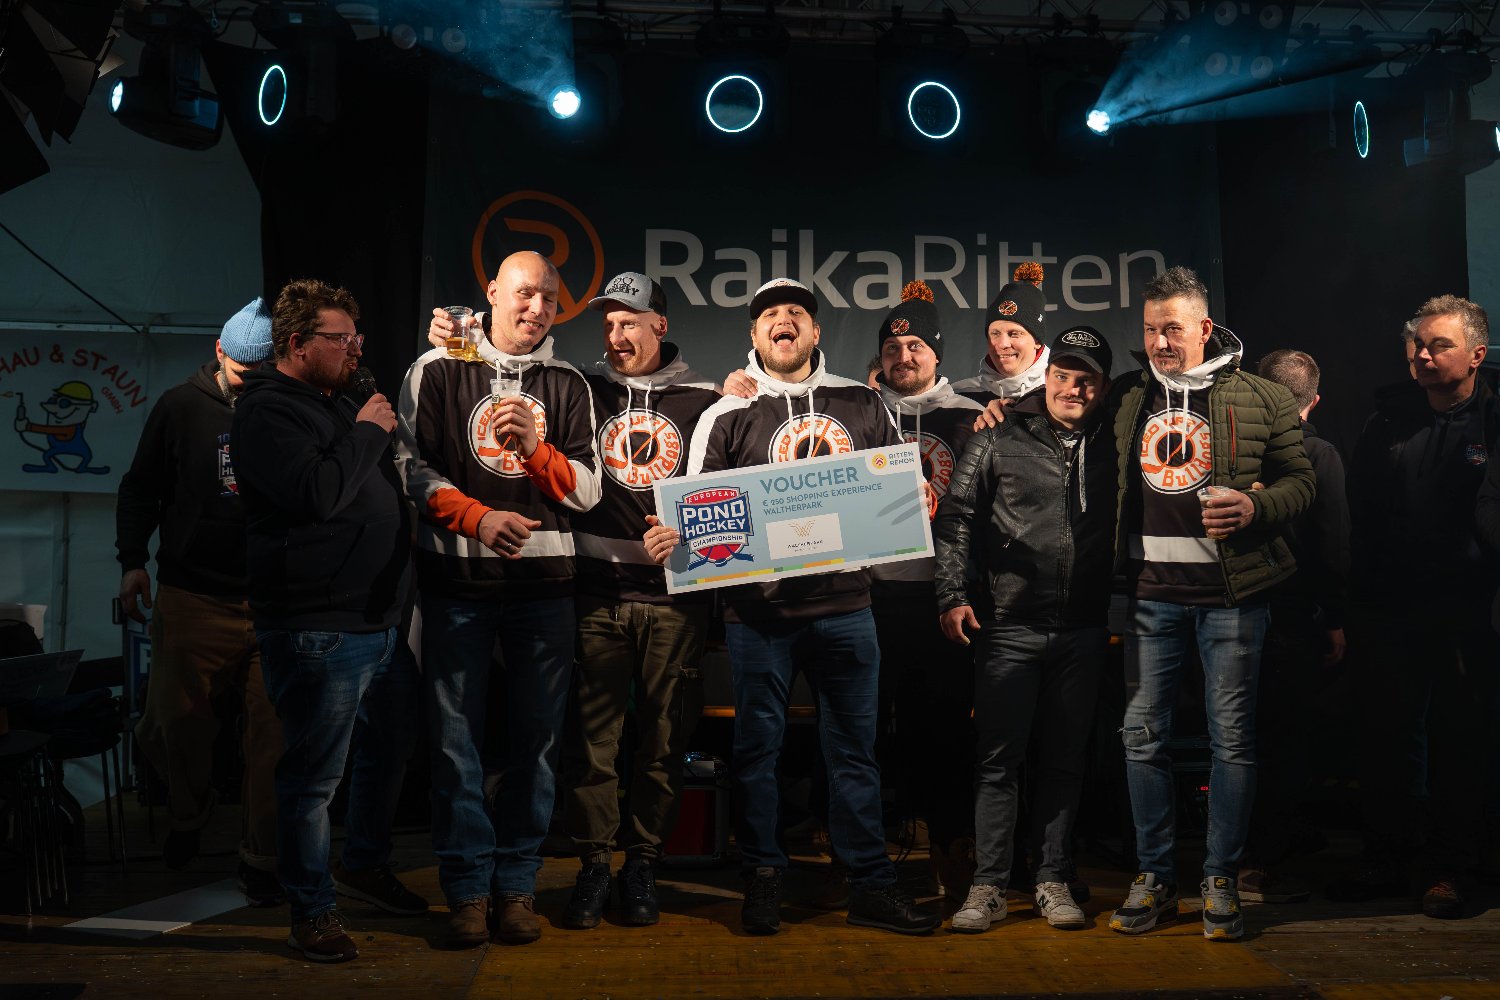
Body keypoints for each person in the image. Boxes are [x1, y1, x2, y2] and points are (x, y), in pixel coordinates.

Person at [648, 277, 941, 937]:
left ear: (815, 331)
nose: (783, 321)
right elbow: (694, 508)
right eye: (770, 315)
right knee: (758, 751)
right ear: (755, 335)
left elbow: (893, 489)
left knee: (855, 753)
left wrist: (913, 494)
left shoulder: (861, 399)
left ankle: (870, 884)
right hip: (760, 619)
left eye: (796, 313)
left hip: (847, 609)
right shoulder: (727, 411)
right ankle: (763, 878)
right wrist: (675, 535)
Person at [398, 250, 601, 948]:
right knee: (455, 747)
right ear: (491, 292)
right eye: (523, 293)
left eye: (548, 297)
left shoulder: (568, 382)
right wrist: (476, 517)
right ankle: (466, 892)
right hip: (456, 588)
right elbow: (409, 469)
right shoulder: (436, 369)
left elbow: (589, 491)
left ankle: (516, 887)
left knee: (536, 747)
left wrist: (538, 451)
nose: (536, 308)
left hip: (545, 594)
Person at [1106, 265, 1315, 941]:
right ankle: (1154, 876)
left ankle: (1220, 877)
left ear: (1204, 327)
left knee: (1233, 741)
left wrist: (1256, 506)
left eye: (1172, 328)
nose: (1160, 342)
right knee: (1142, 739)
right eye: (1150, 329)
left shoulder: (1262, 396)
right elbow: (1059, 416)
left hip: (1232, 598)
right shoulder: (1126, 394)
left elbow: (1301, 481)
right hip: (1147, 598)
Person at [233, 279, 426, 963]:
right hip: (319, 626)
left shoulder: (334, 401)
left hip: (379, 624)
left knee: (389, 749)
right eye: (340, 339)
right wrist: (368, 431)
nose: (355, 350)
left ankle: (364, 863)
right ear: (296, 343)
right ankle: (311, 911)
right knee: (313, 779)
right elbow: (318, 494)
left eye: (356, 338)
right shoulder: (266, 413)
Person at [935, 327, 1117, 933]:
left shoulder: (1118, 439)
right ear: (1047, 375)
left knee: (1065, 762)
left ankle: (1052, 879)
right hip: (1008, 625)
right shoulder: (997, 436)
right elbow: (956, 519)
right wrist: (952, 596)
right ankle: (988, 886)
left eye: (1087, 379)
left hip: (1083, 628)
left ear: (1103, 387)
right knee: (998, 762)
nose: (1073, 388)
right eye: (1064, 375)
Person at [556, 272, 719, 930]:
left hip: (674, 600)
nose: (616, 335)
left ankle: (642, 862)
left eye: (629, 322)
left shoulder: (707, 399)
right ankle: (595, 863)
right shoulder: (581, 387)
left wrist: (691, 533)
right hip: (596, 594)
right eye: (609, 324)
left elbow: (732, 495)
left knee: (662, 740)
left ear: (660, 325)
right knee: (593, 743)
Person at [1336, 295, 1499, 919]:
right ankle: (1388, 854)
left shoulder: (1494, 421)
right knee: (1386, 733)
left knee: (1462, 737)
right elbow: (1361, 516)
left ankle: (1450, 867)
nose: (1424, 356)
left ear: (1476, 355)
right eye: (1419, 346)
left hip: (1469, 610)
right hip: (1390, 607)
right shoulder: (1387, 421)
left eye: (1440, 346)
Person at [116, 298, 283, 903]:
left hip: (274, 601)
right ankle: (189, 809)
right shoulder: (180, 407)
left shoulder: (289, 406)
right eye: (241, 374)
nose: (250, 385)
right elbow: (140, 488)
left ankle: (261, 855)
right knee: (171, 722)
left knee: (274, 738)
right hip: (194, 593)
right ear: (218, 353)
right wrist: (133, 561)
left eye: (261, 375)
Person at [865, 281, 983, 901]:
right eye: (892, 347)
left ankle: (949, 846)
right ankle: (859, 856)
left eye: (915, 346)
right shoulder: (857, 410)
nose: (903, 356)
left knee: (944, 729)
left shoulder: (971, 414)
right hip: (869, 596)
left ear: (937, 353)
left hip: (942, 598)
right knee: (861, 730)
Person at [1240, 349, 1350, 903]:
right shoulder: (1319, 454)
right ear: (1315, 402)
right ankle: (1262, 860)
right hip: (1293, 615)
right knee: (1284, 741)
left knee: (1240, 737)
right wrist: (1335, 619)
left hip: (1232, 609)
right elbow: (1332, 544)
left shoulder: (1234, 446)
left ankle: (1242, 855)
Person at [953, 262, 1050, 429]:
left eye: (1014, 334)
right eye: (995, 333)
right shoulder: (959, 395)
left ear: (1037, 341)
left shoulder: (1058, 396)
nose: (1003, 344)